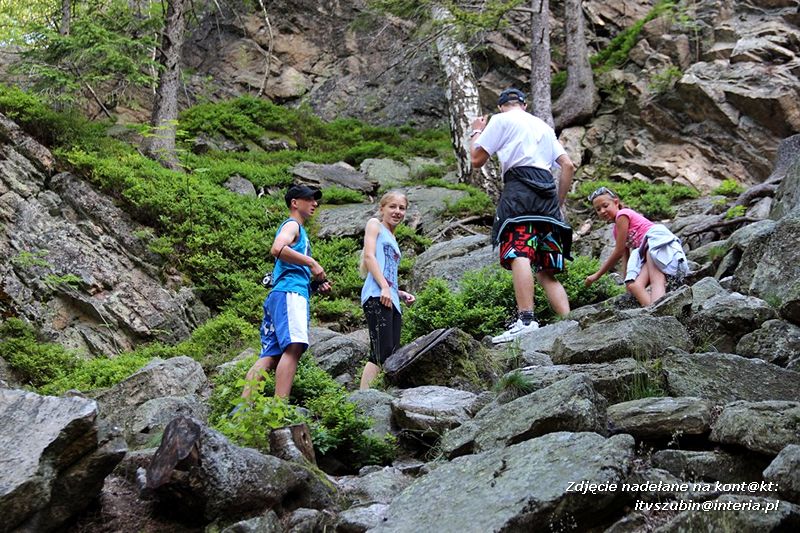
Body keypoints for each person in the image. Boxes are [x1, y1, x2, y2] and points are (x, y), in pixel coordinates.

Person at [470, 87, 575, 343]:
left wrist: (476, 131)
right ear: (525, 105)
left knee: (519, 251)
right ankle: (569, 324)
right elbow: (568, 165)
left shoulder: (501, 121)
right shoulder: (542, 126)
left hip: (519, 191)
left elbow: (476, 159)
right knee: (545, 267)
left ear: (501, 106)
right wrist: (557, 202)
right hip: (547, 194)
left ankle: (526, 320)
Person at [239, 184, 331, 402]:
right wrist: (312, 263)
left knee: (270, 355)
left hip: (280, 294)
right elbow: (277, 248)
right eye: (310, 199)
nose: (315, 204)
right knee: (294, 347)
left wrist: (314, 285)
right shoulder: (292, 225)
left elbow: (288, 267)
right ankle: (280, 408)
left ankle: (243, 409)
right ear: (295, 203)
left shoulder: (298, 230)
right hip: (289, 293)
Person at [584, 186, 688, 306]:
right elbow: (624, 256)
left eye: (605, 205)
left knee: (657, 280)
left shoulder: (622, 215)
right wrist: (626, 279)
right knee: (634, 285)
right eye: (598, 209)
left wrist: (596, 276)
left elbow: (618, 252)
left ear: (616, 202)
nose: (602, 211)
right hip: (647, 250)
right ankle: (653, 311)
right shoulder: (616, 230)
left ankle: (659, 314)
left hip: (655, 242)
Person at [359, 191, 415, 389]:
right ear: (382, 208)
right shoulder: (375, 225)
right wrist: (384, 287)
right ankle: (364, 398)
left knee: (390, 353)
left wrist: (398, 292)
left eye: (402, 208)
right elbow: (369, 257)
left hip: (390, 298)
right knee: (380, 352)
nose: (397, 211)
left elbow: (388, 271)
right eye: (392, 206)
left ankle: (373, 396)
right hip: (377, 296)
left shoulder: (392, 237)